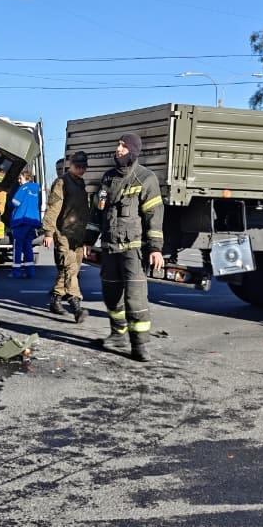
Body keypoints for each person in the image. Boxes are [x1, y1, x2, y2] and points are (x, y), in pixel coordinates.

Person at [95, 133, 164, 362]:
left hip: (133, 250)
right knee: (111, 296)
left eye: (123, 146)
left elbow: (154, 216)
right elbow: (99, 212)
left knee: (135, 300)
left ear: (133, 151)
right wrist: (87, 240)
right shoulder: (108, 178)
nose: (118, 149)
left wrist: (155, 248)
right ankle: (117, 335)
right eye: (118, 145)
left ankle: (140, 345)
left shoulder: (146, 178)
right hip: (109, 248)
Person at [41, 151, 92, 322]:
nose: (81, 169)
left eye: (83, 166)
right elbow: (53, 207)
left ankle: (56, 299)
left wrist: (86, 237)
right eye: (78, 166)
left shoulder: (80, 183)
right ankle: (76, 305)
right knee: (70, 268)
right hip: (62, 232)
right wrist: (48, 232)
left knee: (71, 267)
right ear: (70, 165)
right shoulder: (62, 182)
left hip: (77, 234)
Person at [7, 167, 42, 278]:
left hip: (21, 220)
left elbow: (15, 202)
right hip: (32, 221)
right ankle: (30, 272)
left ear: (26, 177)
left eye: (20, 178)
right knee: (28, 246)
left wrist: (9, 204)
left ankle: (16, 272)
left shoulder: (23, 188)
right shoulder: (37, 188)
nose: (19, 180)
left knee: (17, 246)